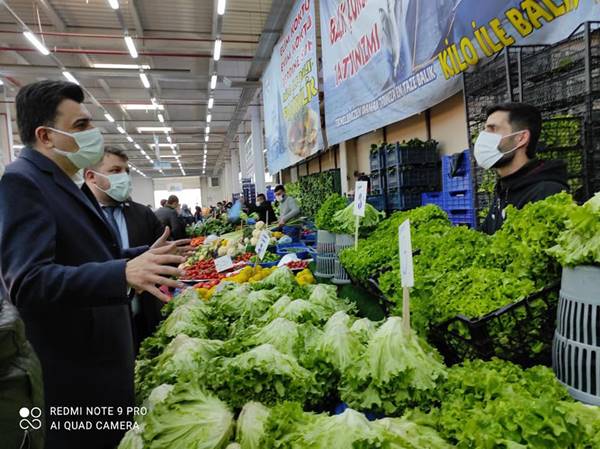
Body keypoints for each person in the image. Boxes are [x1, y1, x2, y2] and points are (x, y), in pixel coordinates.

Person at [0, 80, 186, 449]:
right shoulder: (21, 182)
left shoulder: (63, 183)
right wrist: (121, 273)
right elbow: (28, 281)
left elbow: (83, 257)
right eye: (81, 126)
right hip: (75, 378)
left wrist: (139, 258)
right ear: (46, 136)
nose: (93, 134)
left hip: (101, 364)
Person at [84, 147, 191, 349]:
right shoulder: (79, 218)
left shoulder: (143, 214)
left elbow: (164, 254)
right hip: (101, 325)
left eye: (126, 171)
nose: (123, 177)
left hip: (146, 314)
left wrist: (170, 256)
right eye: (115, 171)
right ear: (92, 176)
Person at [475, 102, 569, 234]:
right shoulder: (505, 188)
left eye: (493, 129)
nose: (483, 137)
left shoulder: (546, 193)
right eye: (485, 130)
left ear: (521, 138)